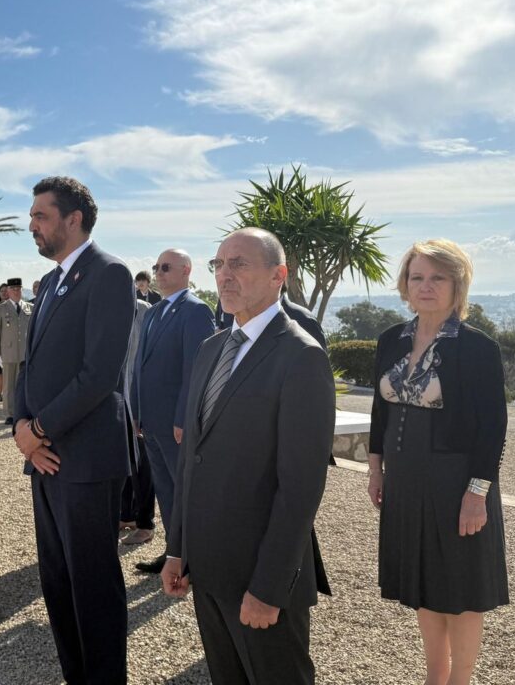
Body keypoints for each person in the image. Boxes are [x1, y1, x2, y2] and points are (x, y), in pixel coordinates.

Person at [161, 228, 335, 685]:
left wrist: (269, 588)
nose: (225, 275)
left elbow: (300, 488)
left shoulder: (301, 356)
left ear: (279, 275)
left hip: (259, 576)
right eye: (219, 264)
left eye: (239, 264)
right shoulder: (211, 349)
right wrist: (178, 549)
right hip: (208, 569)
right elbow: (190, 459)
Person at [367, 239, 509, 685]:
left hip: (457, 480)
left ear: (456, 285)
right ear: (405, 285)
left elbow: (493, 427)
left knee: (462, 590)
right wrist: (376, 468)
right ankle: (435, 678)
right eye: (417, 277)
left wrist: (477, 493)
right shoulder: (392, 339)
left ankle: (461, 681)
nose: (426, 287)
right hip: (405, 478)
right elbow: (379, 410)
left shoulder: (476, 347)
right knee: (425, 582)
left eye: (437, 278)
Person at [13, 177, 135, 684]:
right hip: (44, 456)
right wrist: (21, 426)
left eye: (41, 215)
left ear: (73, 219)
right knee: (58, 583)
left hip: (83, 459)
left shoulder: (109, 274)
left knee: (92, 588)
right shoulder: (49, 283)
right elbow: (31, 364)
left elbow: (99, 374)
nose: (32, 225)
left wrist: (38, 428)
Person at [128, 249, 216, 569]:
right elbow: (140, 366)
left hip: (177, 425)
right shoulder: (152, 312)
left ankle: (197, 556)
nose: (159, 273)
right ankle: (174, 552)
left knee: (185, 492)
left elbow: (196, 369)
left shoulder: (196, 311)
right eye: (156, 267)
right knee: (165, 490)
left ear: (186, 270)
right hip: (150, 421)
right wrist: (135, 411)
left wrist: (184, 417)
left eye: (166, 267)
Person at [118, 296, 155, 544]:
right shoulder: (111, 308)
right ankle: (127, 515)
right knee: (124, 462)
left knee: (143, 466)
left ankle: (145, 523)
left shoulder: (146, 312)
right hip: (118, 400)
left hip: (140, 400)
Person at [0, 278, 32, 425]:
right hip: (8, 352)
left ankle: (23, 411)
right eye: (13, 289)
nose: (16, 292)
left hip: (25, 353)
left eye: (19, 289)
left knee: (24, 384)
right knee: (8, 385)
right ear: (8, 291)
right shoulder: (0, 308)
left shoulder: (29, 307)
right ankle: (9, 413)